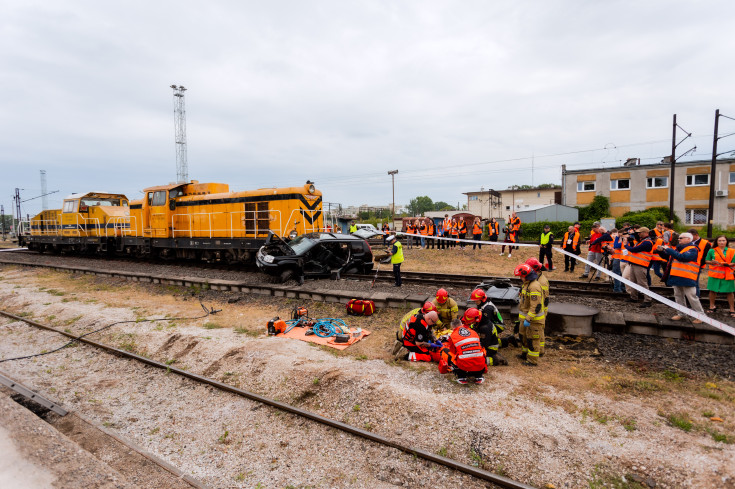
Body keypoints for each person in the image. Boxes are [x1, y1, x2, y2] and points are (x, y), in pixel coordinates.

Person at [658, 232, 705, 323]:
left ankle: (701, 316)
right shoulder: (679, 249)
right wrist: (661, 252)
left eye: (681, 238)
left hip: (688, 277)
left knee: (692, 297)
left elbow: (683, 257)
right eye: (679, 238)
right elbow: (669, 257)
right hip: (678, 277)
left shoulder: (693, 249)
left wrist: (669, 249)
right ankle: (681, 313)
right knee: (678, 296)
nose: (679, 239)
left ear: (688, 239)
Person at [438, 318, 487, 384]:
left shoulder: (453, 335)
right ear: (461, 324)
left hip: (464, 366)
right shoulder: (473, 332)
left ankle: (462, 377)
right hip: (480, 364)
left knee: (448, 353)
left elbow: (452, 352)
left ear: (452, 327)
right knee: (481, 350)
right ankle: (478, 376)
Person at [515, 263, 545, 366]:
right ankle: (525, 354)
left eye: (521, 276)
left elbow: (535, 306)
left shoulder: (534, 286)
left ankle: (532, 361)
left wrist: (528, 319)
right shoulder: (527, 284)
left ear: (526, 275)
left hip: (534, 320)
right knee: (523, 336)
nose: (520, 278)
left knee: (533, 340)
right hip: (526, 318)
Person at [469, 288, 507, 366]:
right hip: (491, 326)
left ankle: (496, 358)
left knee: (486, 336)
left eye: (476, 300)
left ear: (482, 299)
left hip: (498, 325)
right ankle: (506, 341)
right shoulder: (482, 305)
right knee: (489, 337)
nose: (475, 302)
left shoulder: (488, 309)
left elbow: (485, 322)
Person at [622, 226, 654, 308]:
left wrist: (626, 245)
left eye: (640, 232)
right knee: (633, 281)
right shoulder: (642, 241)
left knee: (642, 283)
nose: (638, 234)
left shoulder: (647, 242)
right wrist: (631, 242)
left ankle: (648, 300)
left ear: (646, 233)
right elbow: (635, 248)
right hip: (634, 264)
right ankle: (634, 297)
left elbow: (634, 250)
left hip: (640, 265)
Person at [705, 235, 735, 316]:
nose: (721, 242)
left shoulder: (732, 251)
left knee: (730, 292)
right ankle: (712, 306)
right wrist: (712, 262)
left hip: (727, 275)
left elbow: (734, 262)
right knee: (712, 291)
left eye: (723, 240)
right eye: (719, 240)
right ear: (716, 242)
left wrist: (727, 264)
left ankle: (732, 309)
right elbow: (706, 260)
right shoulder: (712, 251)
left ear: (726, 242)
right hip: (715, 274)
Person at [525, 258, 549, 355]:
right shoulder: (537, 279)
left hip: (539, 310)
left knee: (537, 333)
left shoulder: (541, 282)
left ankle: (539, 351)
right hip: (540, 310)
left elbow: (542, 299)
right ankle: (541, 350)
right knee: (539, 332)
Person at [689, 228, 711, 297]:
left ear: (696, 235)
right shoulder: (689, 242)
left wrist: (699, 264)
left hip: (697, 266)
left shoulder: (705, 243)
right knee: (689, 283)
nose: (689, 238)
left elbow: (706, 257)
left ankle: (696, 297)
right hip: (688, 265)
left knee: (695, 283)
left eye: (691, 236)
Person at [606, 228, 626, 293]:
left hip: (618, 258)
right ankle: (622, 288)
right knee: (621, 274)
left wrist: (617, 237)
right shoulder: (623, 239)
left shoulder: (622, 240)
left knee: (617, 274)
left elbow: (616, 246)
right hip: (619, 257)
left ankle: (617, 289)